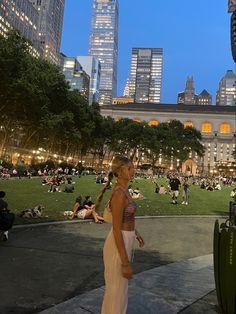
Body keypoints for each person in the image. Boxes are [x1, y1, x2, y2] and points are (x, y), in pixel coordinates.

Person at [95, 155, 145, 314]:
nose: (133, 170)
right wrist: (125, 263)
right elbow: (116, 228)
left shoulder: (125, 190)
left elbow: (124, 218)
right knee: (116, 291)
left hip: (126, 238)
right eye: (129, 168)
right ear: (120, 171)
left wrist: (135, 232)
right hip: (118, 241)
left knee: (120, 291)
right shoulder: (119, 193)